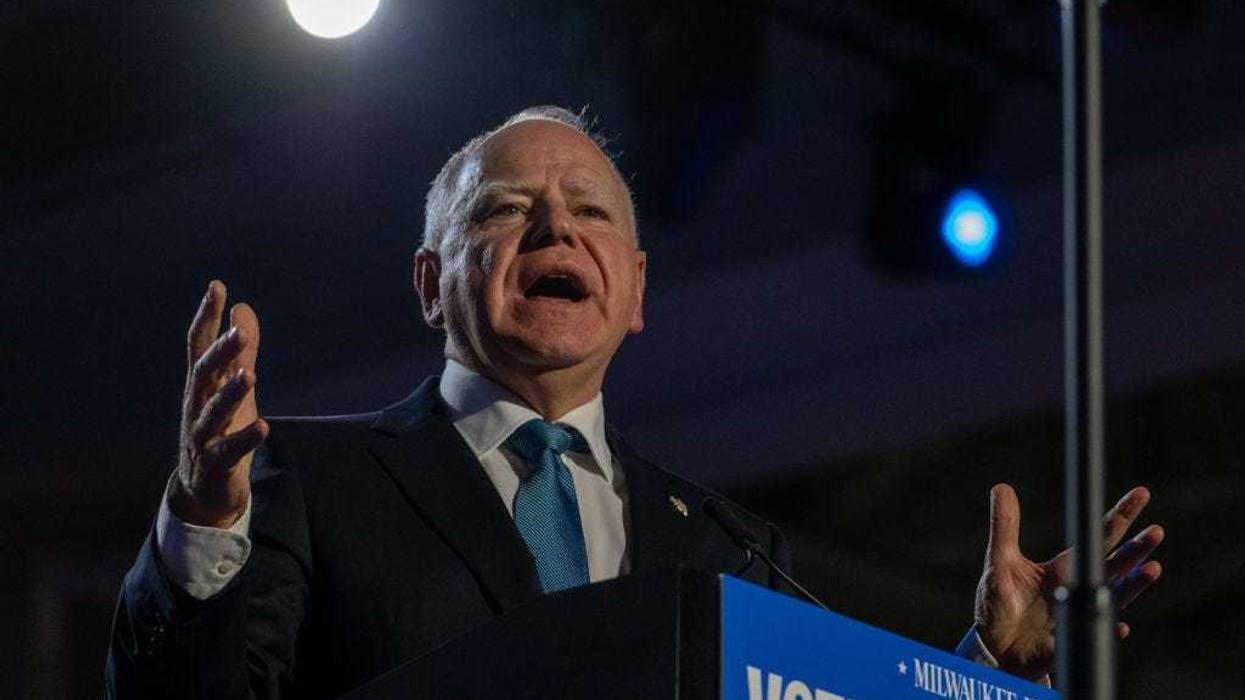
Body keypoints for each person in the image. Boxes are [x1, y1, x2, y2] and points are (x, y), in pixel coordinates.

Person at [106, 107, 1164, 698]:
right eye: (508, 208)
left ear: (638, 291)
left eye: (591, 212)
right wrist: (201, 522)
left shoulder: (728, 550)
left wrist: (984, 676)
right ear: (430, 284)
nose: (556, 229)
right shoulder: (302, 479)